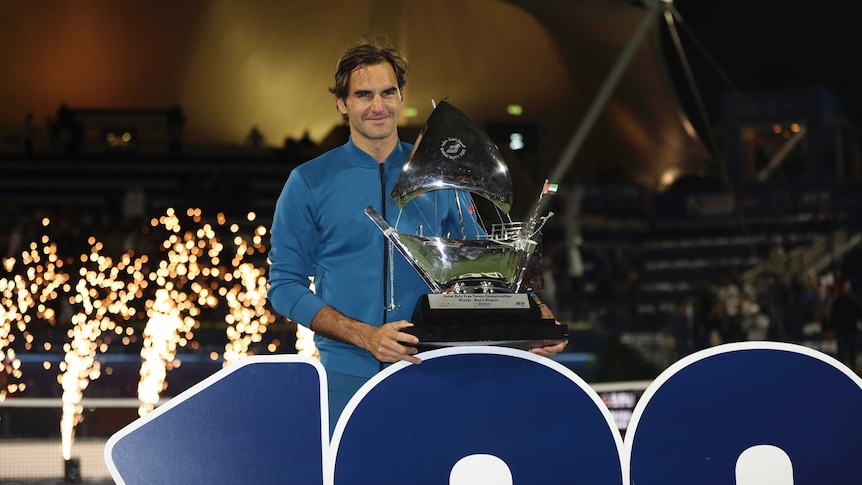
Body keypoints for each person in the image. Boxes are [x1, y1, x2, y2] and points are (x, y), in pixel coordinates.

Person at [267, 32, 567, 433]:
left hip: (432, 372)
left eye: (387, 93)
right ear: (342, 103)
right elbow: (284, 286)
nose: (378, 106)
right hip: (345, 380)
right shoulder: (308, 181)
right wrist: (366, 336)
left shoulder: (440, 175)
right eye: (363, 95)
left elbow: (481, 270)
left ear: (401, 97)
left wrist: (532, 319)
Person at [831, 280, 862, 372]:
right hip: (841, 331)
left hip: (852, 330)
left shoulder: (855, 300)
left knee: (852, 354)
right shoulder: (838, 301)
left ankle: (853, 371)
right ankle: (842, 371)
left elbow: (860, 313)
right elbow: (834, 316)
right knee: (842, 355)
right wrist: (833, 328)